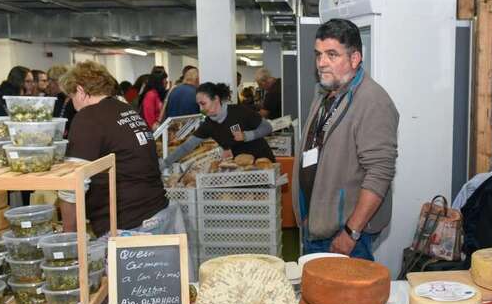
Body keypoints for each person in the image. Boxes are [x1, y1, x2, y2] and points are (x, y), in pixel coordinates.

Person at [292, 18, 398, 260]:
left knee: (348, 298)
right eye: (318, 55)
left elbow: (379, 173)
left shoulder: (373, 102)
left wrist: (351, 232)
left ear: (354, 58)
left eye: (332, 55)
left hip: (344, 236)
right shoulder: (324, 95)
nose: (322, 63)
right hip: (317, 225)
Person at [57, 61, 173, 237]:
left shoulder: (88, 117)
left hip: (128, 224)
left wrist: (68, 234)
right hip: (157, 212)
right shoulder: (126, 109)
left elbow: (73, 184)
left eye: (71, 96)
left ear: (80, 91)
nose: (72, 103)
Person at [163, 82, 274, 168]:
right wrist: (164, 164)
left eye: (203, 104)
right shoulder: (208, 124)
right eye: (198, 105)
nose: (201, 109)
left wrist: (246, 135)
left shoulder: (240, 111)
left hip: (263, 163)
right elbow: (186, 147)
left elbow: (267, 127)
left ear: (216, 99)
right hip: (241, 169)